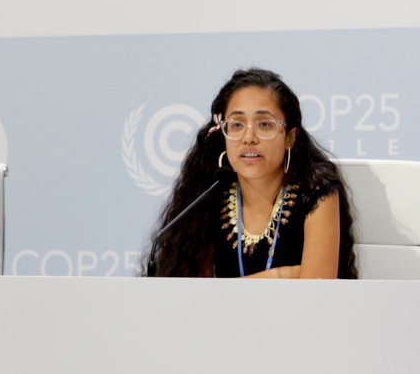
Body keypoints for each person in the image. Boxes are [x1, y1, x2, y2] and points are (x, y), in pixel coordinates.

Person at [146, 68, 357, 278]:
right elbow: (195, 291)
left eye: (264, 124)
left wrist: (225, 291)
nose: (248, 138)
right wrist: (286, 275)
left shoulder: (316, 189)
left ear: (290, 138)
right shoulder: (210, 192)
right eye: (237, 125)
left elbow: (317, 286)